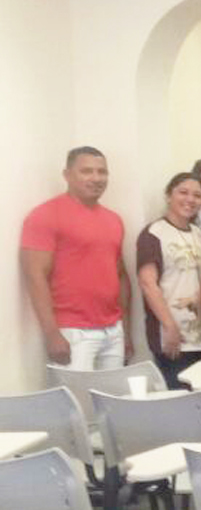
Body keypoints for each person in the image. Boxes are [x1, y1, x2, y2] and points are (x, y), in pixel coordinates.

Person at [21, 146, 131, 369]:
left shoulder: (114, 219)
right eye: (87, 171)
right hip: (73, 332)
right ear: (67, 175)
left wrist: (126, 331)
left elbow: (120, 276)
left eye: (102, 172)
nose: (96, 178)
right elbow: (35, 276)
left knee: (114, 393)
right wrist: (52, 334)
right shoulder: (45, 214)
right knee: (77, 393)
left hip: (113, 331)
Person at [136, 172, 201, 388]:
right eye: (183, 192)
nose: (190, 199)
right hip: (172, 335)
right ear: (169, 195)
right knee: (179, 396)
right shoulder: (154, 233)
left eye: (197, 195)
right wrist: (169, 326)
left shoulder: (198, 234)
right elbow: (148, 283)